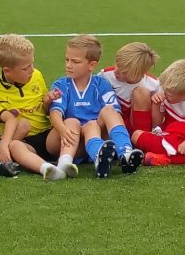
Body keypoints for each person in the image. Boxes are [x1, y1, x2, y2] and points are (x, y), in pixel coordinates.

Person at [45, 35, 130, 180]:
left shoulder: (101, 84)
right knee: (72, 121)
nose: (68, 65)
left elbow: (115, 114)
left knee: (107, 112)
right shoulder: (61, 85)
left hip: (93, 136)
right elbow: (55, 114)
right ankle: (64, 163)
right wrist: (62, 129)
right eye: (67, 59)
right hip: (66, 139)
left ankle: (124, 153)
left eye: (75, 61)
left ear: (92, 65)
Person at [0, 35, 55, 168]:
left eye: (32, 64)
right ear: (7, 71)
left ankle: (66, 159)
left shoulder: (37, 75)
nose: (32, 70)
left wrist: (48, 102)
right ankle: (47, 168)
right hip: (23, 141)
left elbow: (46, 110)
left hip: (48, 135)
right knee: (17, 143)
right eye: (25, 68)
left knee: (69, 125)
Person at [106, 41, 159, 161]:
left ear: (139, 73)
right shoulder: (106, 76)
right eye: (117, 65)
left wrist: (158, 99)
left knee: (141, 93)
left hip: (136, 127)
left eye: (123, 71)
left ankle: (140, 144)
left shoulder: (153, 85)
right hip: (113, 125)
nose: (116, 71)